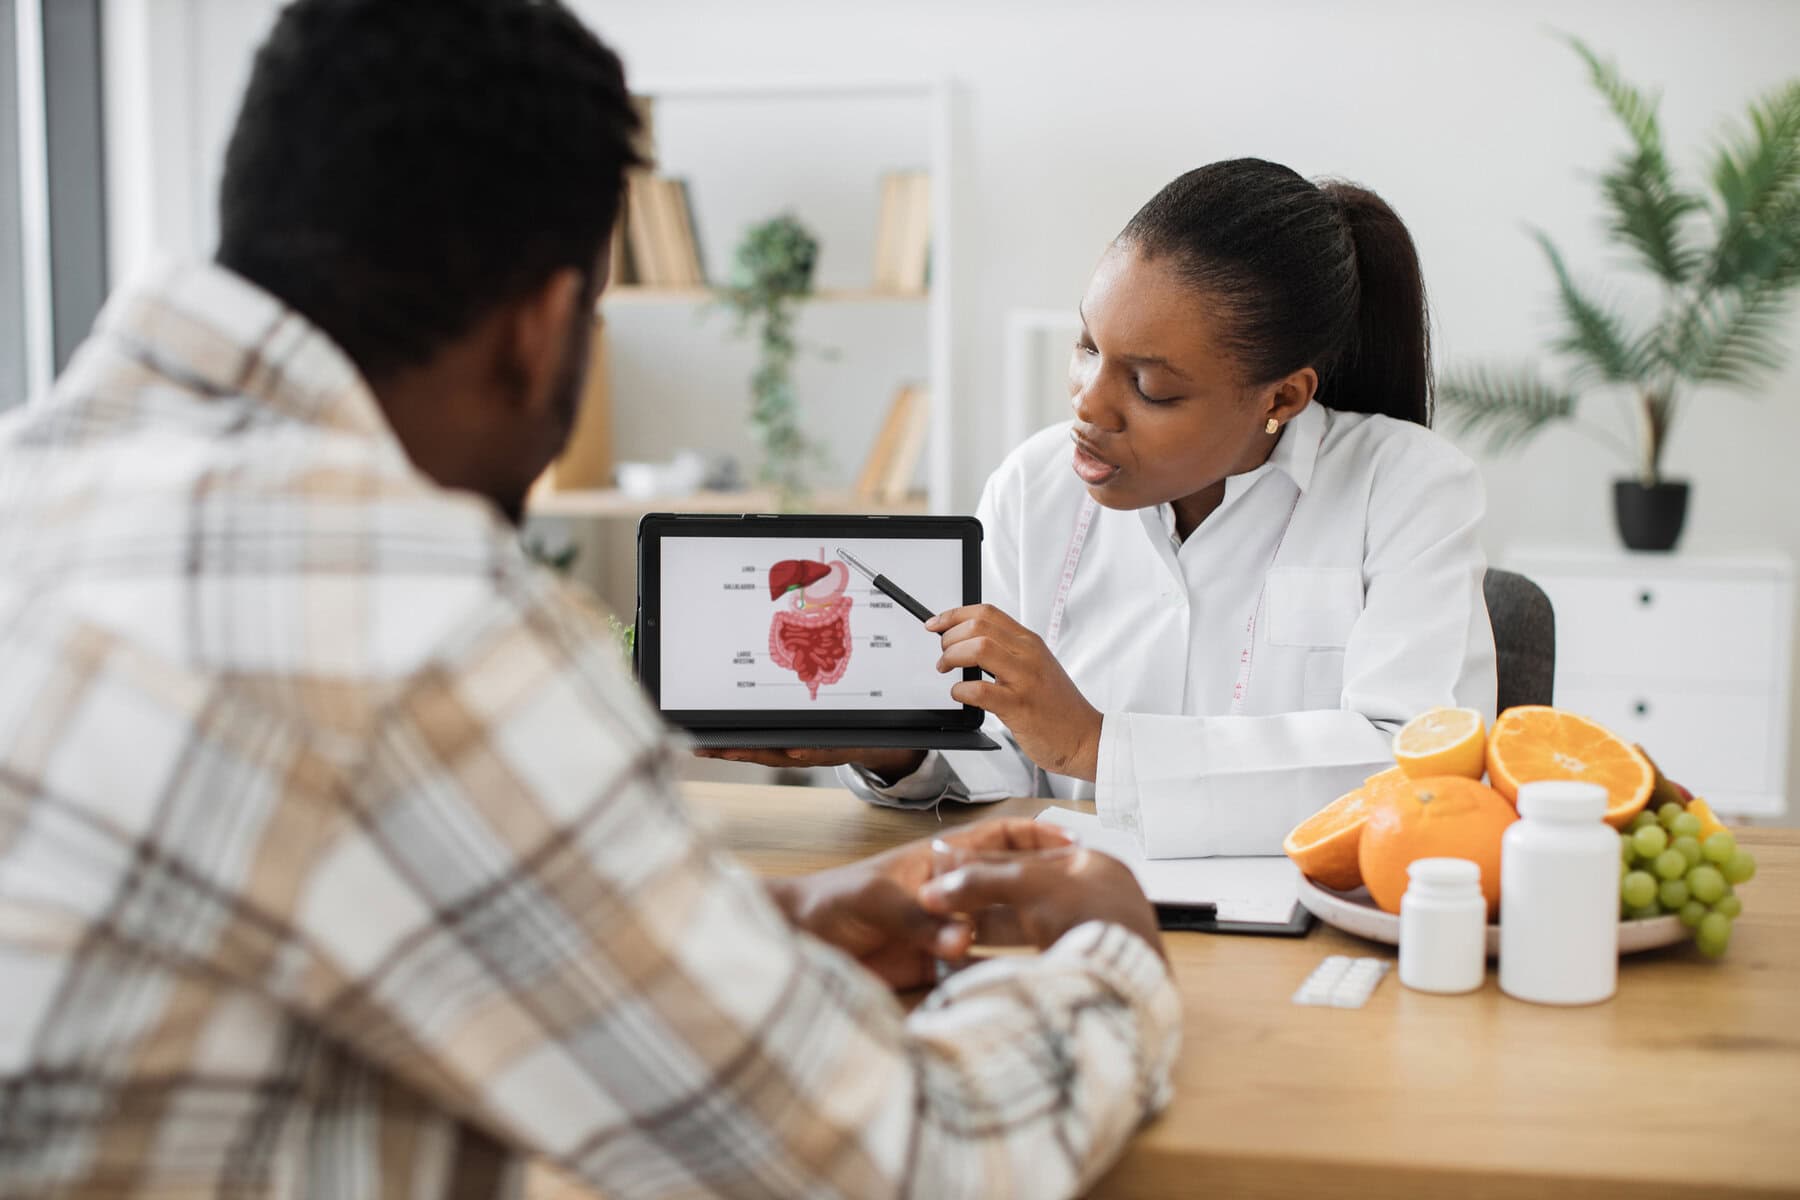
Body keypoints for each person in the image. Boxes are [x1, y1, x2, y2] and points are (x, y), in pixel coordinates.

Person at [0, 2, 1177, 1196]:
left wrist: (733, 936)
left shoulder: (35, 484)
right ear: (543, 328)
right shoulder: (416, 627)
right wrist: (1108, 956)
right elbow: (904, 1161)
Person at [712, 159, 1496, 857]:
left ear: (1282, 396)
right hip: (1064, 914)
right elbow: (1007, 760)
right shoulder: (1033, 486)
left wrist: (1097, 744)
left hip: (1302, 932)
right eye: (1087, 348)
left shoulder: (1410, 488)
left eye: (1151, 386)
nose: (1089, 404)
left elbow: (1415, 767)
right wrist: (895, 751)